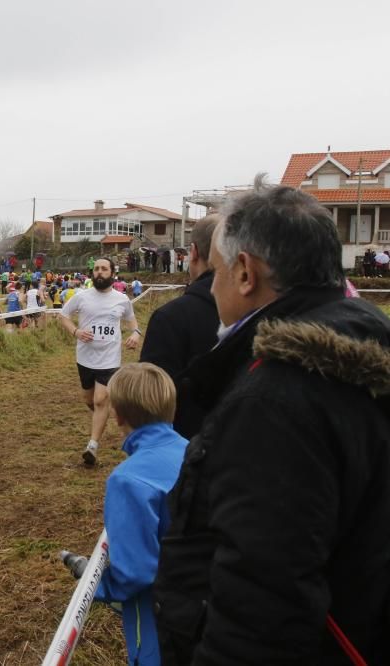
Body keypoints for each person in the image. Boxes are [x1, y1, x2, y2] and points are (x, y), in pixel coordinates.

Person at [153, 177, 390, 664]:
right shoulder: (366, 345)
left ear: (244, 273)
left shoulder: (277, 399)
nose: (210, 286)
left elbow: (262, 601)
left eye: (214, 272)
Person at [92, 362, 186, 665]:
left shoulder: (127, 480)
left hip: (158, 619)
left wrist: (94, 584)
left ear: (118, 416)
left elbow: (134, 573)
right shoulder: (195, 450)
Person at [139, 215, 221, 438]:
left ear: (193, 253)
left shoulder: (170, 318)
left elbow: (149, 402)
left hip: (185, 450)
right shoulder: (271, 311)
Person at [58, 257, 141, 466]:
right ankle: (105, 416)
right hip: (85, 357)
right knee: (89, 399)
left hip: (110, 358)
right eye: (96, 269)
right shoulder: (82, 296)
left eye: (104, 269)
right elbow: (63, 315)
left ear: (112, 273)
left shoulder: (121, 299)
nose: (99, 272)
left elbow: (130, 318)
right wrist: (76, 331)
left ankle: (92, 446)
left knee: (100, 399)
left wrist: (136, 333)